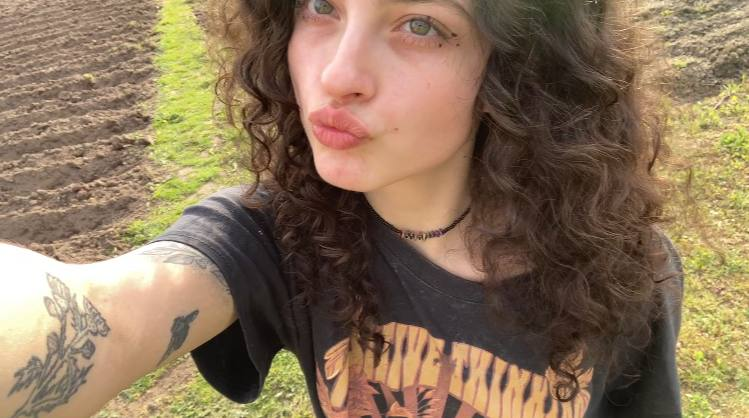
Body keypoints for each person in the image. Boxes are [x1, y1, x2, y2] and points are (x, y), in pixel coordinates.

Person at [1, 0, 685, 417]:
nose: (336, 75)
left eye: (421, 24)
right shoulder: (278, 236)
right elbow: (109, 315)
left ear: (518, 67)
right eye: (321, 6)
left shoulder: (622, 265)